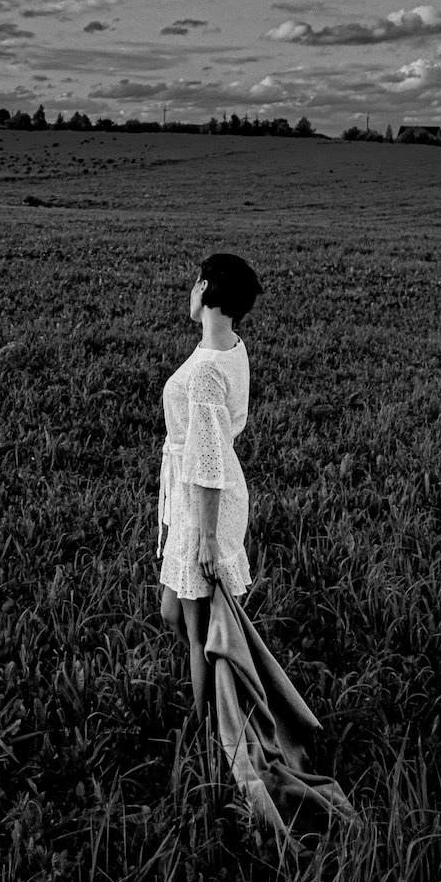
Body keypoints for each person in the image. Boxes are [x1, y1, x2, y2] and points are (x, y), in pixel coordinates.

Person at [157, 253, 263, 723]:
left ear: (203, 289)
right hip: (202, 494)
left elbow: (207, 462)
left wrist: (206, 537)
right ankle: (222, 691)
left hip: (205, 502)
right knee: (173, 613)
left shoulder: (204, 373)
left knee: (198, 631)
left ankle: (209, 730)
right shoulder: (231, 347)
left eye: (192, 285)